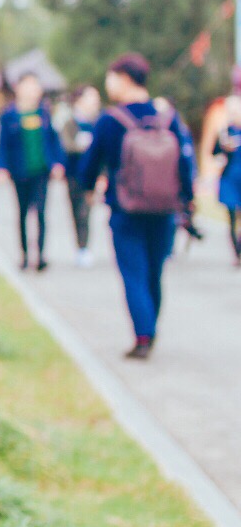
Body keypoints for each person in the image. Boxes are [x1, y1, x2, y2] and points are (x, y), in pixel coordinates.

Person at [78, 53, 196, 361]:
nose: (109, 84)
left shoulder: (110, 120)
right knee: (154, 271)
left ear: (124, 78)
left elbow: (90, 165)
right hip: (164, 209)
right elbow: (184, 163)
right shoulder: (168, 117)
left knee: (133, 272)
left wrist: (89, 190)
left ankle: (143, 335)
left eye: (110, 78)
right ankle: (151, 327)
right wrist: (188, 199)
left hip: (125, 209)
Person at [0, 72, 66, 271]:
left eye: (36, 85)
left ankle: (40, 256)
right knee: (23, 213)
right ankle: (24, 255)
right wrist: (1, 167)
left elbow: (54, 140)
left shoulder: (44, 113)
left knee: (40, 212)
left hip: (41, 171)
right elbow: (2, 145)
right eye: (29, 85)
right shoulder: (9, 115)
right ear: (19, 88)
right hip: (20, 171)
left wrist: (58, 163)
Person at [53, 84, 101, 267]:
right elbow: (66, 145)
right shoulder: (69, 122)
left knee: (85, 211)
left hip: (92, 175)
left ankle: (84, 247)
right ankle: (80, 246)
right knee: (75, 210)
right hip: (73, 174)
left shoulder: (98, 122)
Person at [210, 92, 241, 264]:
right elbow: (213, 152)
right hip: (230, 177)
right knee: (231, 216)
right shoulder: (225, 132)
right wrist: (224, 150)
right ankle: (237, 253)